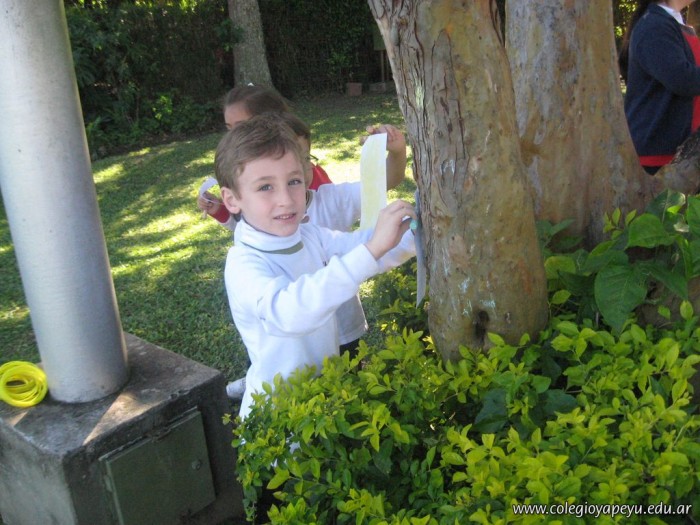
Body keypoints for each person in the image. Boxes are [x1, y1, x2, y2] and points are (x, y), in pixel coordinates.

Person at [214, 113, 416, 419]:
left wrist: (419, 231)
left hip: (323, 398)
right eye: (265, 187)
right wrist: (373, 247)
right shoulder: (243, 263)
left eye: (294, 181)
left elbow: (367, 248)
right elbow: (291, 313)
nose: (286, 199)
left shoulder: (309, 235)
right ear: (231, 200)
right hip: (280, 418)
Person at [619, 0, 700, 174]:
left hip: (681, 156)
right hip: (660, 158)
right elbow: (683, 79)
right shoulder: (654, 26)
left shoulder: (669, 22)